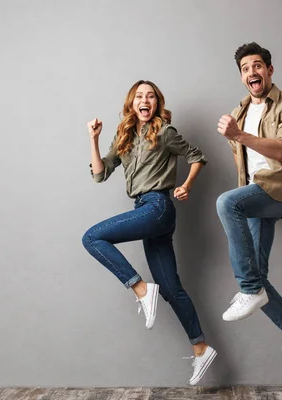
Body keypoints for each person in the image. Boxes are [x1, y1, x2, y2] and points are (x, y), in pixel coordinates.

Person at [82, 80, 216, 385]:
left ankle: (141, 289)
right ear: (132, 103)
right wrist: (94, 139)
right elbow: (100, 174)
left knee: (92, 237)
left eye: (151, 96)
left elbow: (197, 156)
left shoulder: (165, 132)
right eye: (140, 96)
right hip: (144, 210)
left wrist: (186, 185)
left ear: (157, 103)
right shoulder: (124, 136)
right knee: (171, 289)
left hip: (158, 206)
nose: (146, 100)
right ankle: (201, 348)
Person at [216, 43, 282, 381]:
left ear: (269, 71)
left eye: (257, 66)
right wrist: (237, 132)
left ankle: (248, 288)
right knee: (259, 279)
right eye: (245, 68)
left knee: (226, 202)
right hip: (255, 195)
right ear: (242, 77)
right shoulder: (239, 112)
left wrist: (240, 135)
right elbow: (244, 165)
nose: (251, 73)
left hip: (281, 189)